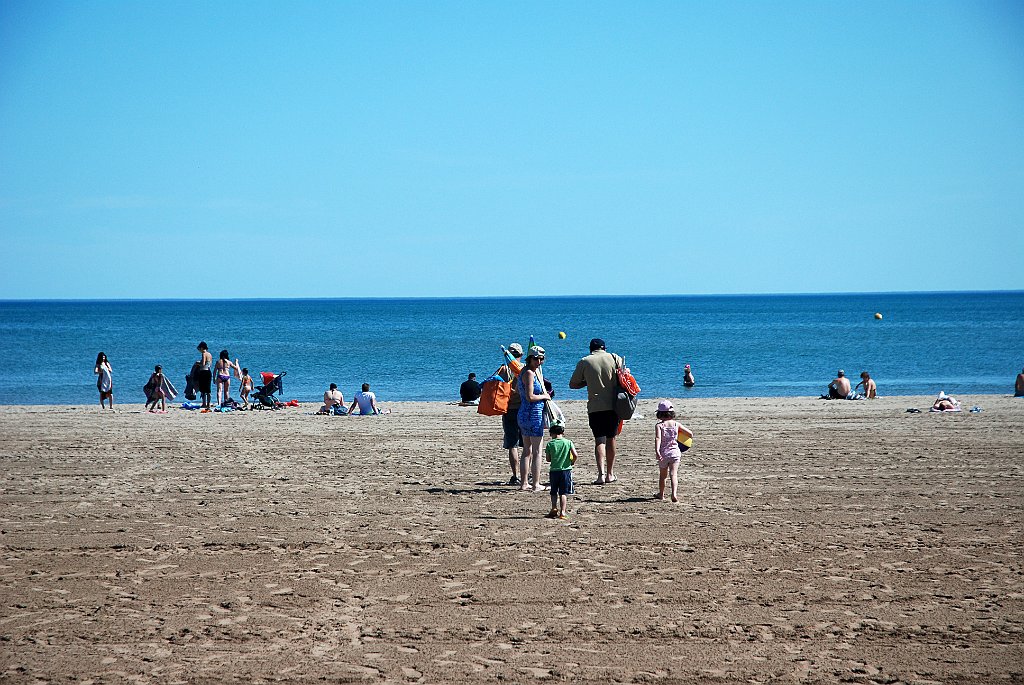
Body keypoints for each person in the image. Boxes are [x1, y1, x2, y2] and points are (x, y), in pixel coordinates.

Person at [568, 338, 625, 485]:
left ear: (590, 349)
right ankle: (610, 474)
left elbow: (573, 384)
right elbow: (624, 377)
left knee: (599, 440)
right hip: (613, 405)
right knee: (611, 438)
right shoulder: (615, 358)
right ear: (604, 348)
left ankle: (600, 475)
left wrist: (587, 381)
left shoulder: (585, 361)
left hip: (595, 407)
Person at [517, 346, 551, 492]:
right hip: (532, 414)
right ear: (529, 358)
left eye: (541, 359)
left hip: (524, 414)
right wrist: (545, 396)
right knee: (536, 451)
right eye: (536, 359)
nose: (539, 361)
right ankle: (535, 483)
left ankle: (524, 483)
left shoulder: (524, 372)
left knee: (527, 450)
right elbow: (530, 397)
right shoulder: (529, 373)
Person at [654, 400, 691, 503]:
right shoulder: (676, 424)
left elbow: (658, 439)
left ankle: (661, 495)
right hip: (675, 453)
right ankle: (674, 494)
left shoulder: (659, 426)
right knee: (673, 474)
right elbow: (690, 434)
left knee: (663, 475)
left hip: (664, 453)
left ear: (659, 413)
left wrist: (657, 451)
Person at [501, 343, 525, 486]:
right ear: (521, 356)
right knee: (527, 445)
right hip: (524, 408)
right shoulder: (525, 369)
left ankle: (515, 475)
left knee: (513, 444)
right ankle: (526, 474)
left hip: (509, 409)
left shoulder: (504, 370)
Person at [544, 423, 578, 519]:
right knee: (563, 492)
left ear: (552, 434)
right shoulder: (568, 442)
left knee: (553, 491)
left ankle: (554, 508)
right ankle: (563, 512)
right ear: (562, 432)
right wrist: (572, 462)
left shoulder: (550, 444)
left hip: (554, 470)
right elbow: (575, 455)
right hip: (566, 470)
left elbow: (548, 459)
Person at [196, 342, 213, 411]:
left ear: (202, 348)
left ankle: (204, 403)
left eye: (199, 349)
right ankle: (208, 404)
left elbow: (203, 364)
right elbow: (209, 364)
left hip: (203, 372)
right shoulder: (210, 354)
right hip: (209, 372)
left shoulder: (204, 354)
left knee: (203, 389)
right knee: (208, 389)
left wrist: (197, 363)